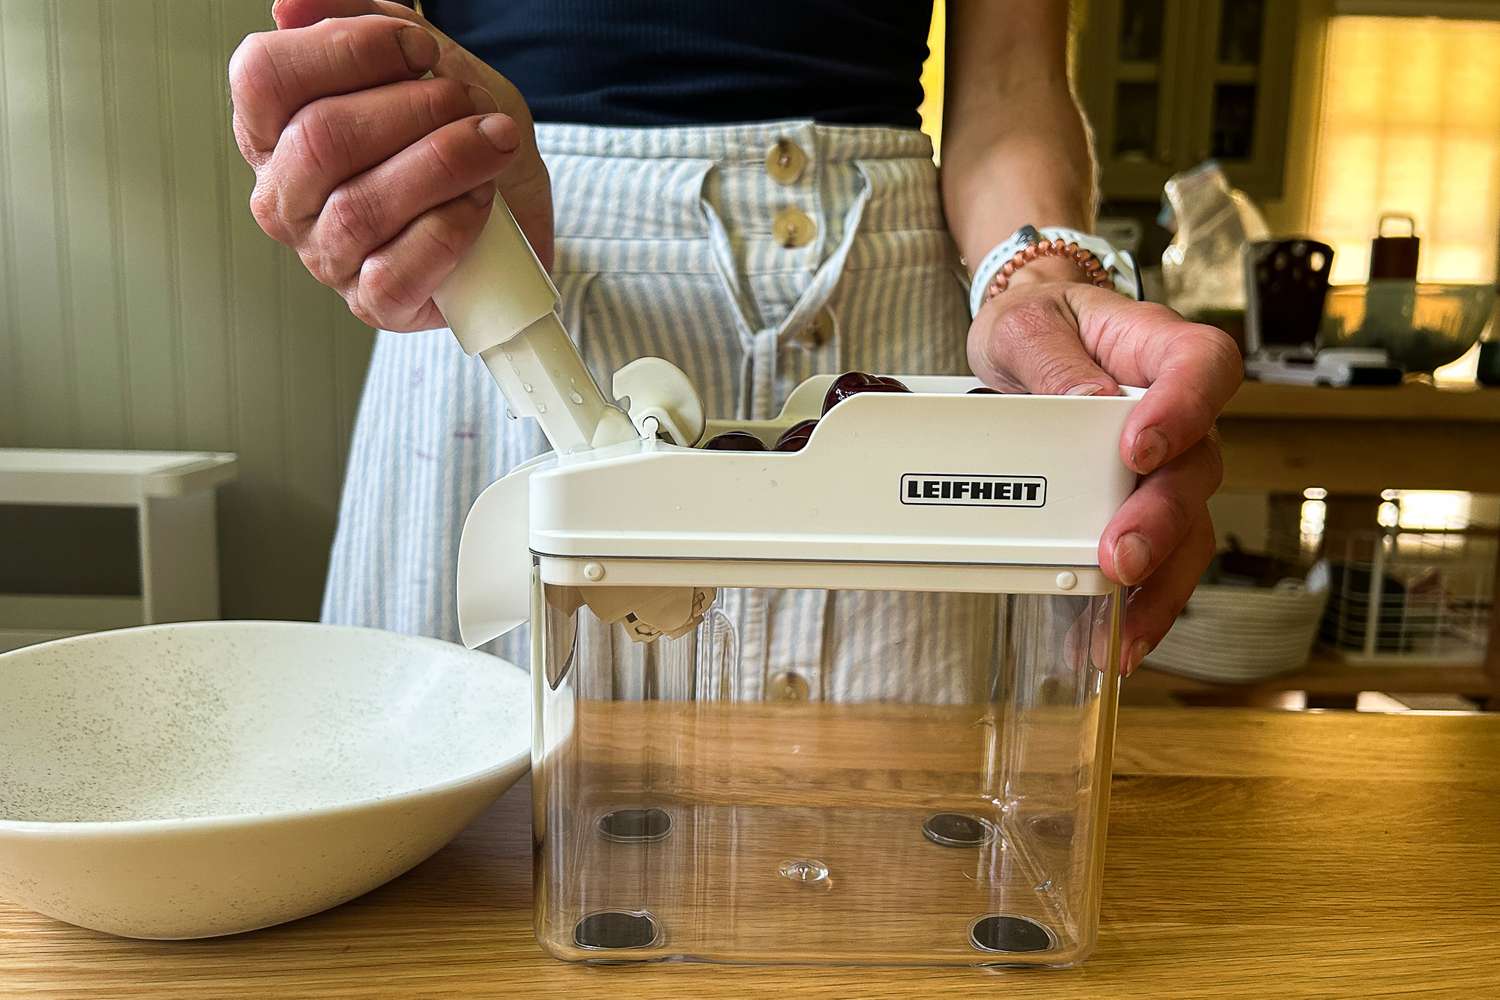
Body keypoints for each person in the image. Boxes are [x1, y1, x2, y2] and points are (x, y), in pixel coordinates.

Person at [229, 0, 1239, 685]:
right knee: (461, 908)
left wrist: (1043, 280)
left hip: (885, 331)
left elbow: (1013, 79)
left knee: (906, 891)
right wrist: (392, 156)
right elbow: (343, 44)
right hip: (496, 279)